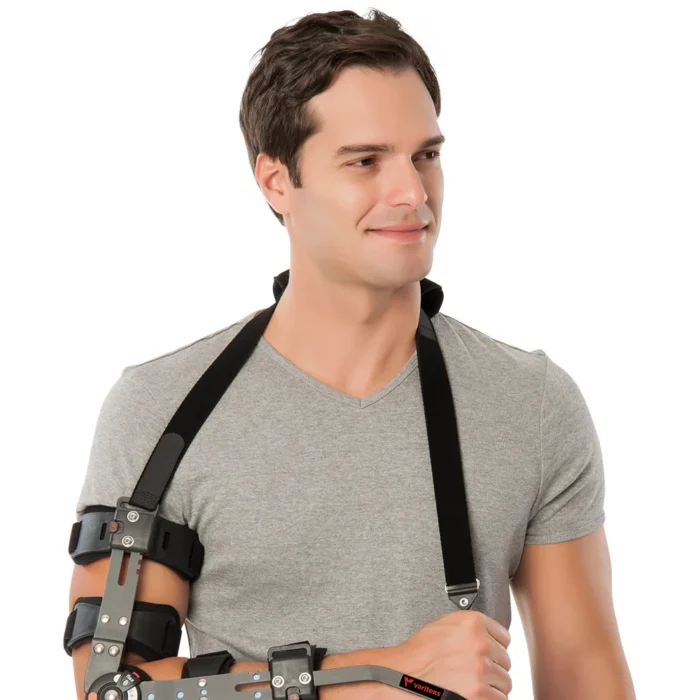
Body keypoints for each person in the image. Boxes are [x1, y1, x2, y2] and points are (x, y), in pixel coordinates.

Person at [68, 9, 635, 700]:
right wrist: (381, 678)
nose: (414, 194)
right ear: (276, 181)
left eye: (426, 155)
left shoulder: (531, 403)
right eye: (366, 161)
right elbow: (112, 686)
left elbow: (587, 682)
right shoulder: (161, 410)